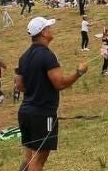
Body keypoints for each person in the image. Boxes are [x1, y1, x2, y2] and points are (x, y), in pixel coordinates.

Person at [15, 17, 88, 170]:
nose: (51, 29)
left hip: (25, 112)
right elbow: (60, 83)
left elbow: (19, 85)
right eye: (48, 27)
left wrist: (36, 88)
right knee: (39, 159)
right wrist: (79, 72)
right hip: (43, 114)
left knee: (28, 157)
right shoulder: (47, 55)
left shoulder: (24, 57)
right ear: (43, 32)